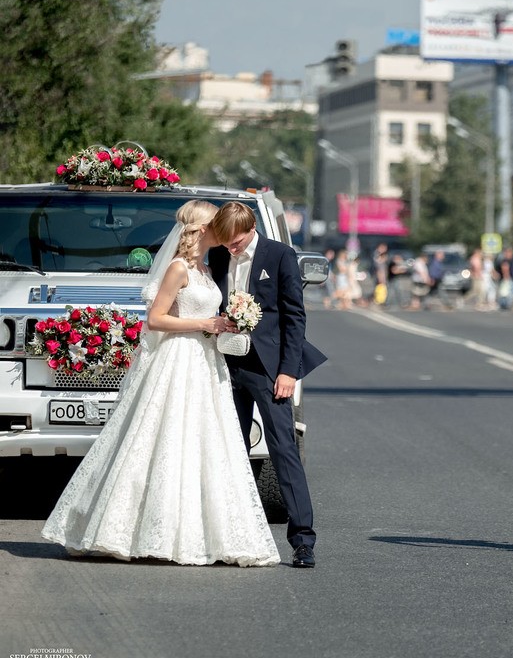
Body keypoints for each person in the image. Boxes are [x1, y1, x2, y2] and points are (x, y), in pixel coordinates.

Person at [42, 200, 280, 567]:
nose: (222, 230)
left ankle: (201, 532)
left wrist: (226, 320)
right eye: (216, 224)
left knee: (203, 442)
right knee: (162, 436)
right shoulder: (178, 268)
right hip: (178, 359)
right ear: (202, 229)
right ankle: (134, 529)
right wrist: (206, 324)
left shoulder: (204, 268)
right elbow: (155, 319)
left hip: (205, 361)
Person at [209, 202, 327, 568]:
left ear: (252, 228)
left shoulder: (279, 255)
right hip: (223, 365)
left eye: (238, 241)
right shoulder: (216, 255)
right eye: (228, 242)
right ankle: (227, 534)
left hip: (269, 371)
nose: (233, 248)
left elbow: (294, 316)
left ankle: (302, 539)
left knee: (282, 448)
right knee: (228, 449)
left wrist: (288, 372)